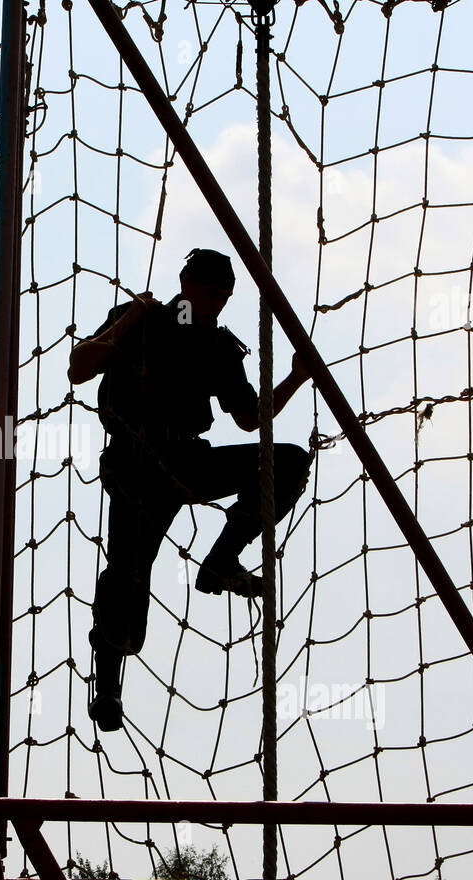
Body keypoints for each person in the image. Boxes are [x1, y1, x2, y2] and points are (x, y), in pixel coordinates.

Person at [68, 248, 313, 733]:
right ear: (185, 284)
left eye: (224, 297)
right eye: (209, 293)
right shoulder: (140, 319)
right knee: (127, 575)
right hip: (136, 464)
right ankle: (109, 680)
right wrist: (131, 319)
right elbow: (79, 367)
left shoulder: (218, 347)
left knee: (285, 462)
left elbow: (249, 418)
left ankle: (222, 559)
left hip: (186, 460)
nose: (216, 304)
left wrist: (296, 378)